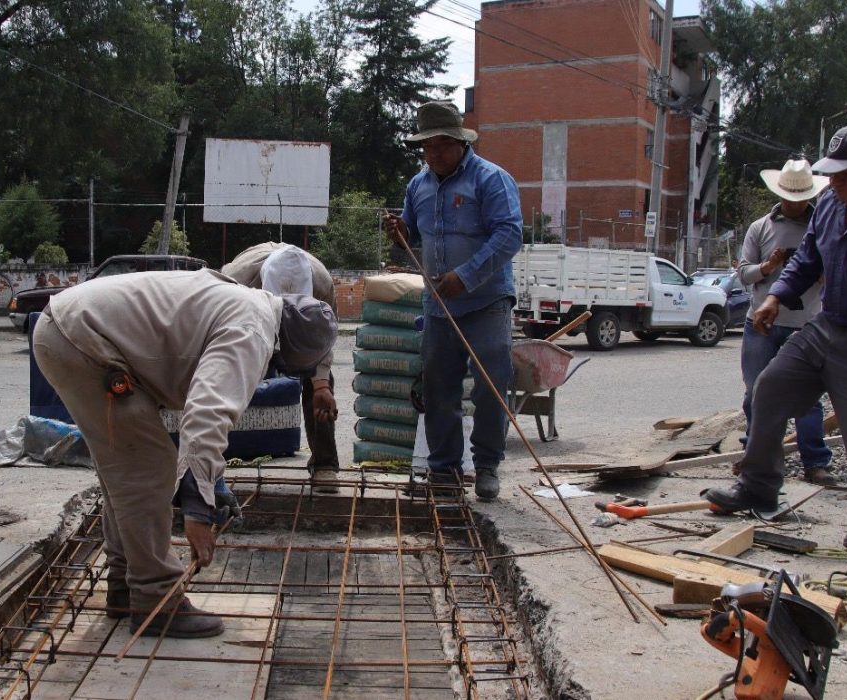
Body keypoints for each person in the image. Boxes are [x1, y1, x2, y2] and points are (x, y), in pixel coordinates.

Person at [32, 268, 337, 636]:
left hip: (71, 327)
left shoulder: (249, 304)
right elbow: (207, 414)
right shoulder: (253, 332)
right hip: (83, 338)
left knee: (127, 469)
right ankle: (155, 600)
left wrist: (211, 483)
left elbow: (200, 392)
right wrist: (199, 508)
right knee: (148, 469)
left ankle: (125, 586)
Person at [704, 124, 847, 552]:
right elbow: (807, 259)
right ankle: (758, 487)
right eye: (831, 175)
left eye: (846, 175)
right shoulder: (831, 202)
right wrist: (775, 296)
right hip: (826, 326)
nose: (835, 184)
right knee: (769, 389)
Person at [383, 101, 523, 501]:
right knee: (439, 388)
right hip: (439, 306)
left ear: (460, 143)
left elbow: (510, 236)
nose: (433, 155)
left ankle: (486, 467)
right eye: (427, 148)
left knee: (490, 385)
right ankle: (443, 471)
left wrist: (465, 277)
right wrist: (399, 232)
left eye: (441, 146)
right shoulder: (418, 186)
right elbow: (410, 234)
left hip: (487, 302)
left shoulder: (491, 180)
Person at [737, 159, 834, 485]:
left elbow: (837, 271)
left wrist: (825, 276)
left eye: (802, 196)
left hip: (806, 325)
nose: (796, 202)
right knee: (756, 392)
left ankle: (815, 462)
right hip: (761, 324)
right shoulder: (760, 228)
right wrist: (768, 266)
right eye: (790, 195)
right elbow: (743, 273)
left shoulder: (822, 226)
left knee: (807, 397)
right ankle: (756, 458)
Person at [222, 242, 341, 492]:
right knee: (222, 381)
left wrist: (320, 385)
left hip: (301, 331)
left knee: (322, 384)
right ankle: (209, 464)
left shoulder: (322, 284)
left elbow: (324, 340)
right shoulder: (234, 282)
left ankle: (325, 464)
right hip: (253, 326)